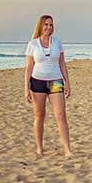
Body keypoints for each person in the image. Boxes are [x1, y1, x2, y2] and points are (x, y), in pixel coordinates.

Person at [24, 14, 73, 157]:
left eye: (51, 25)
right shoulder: (33, 44)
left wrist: (67, 82)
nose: (48, 27)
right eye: (46, 24)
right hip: (37, 82)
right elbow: (29, 67)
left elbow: (62, 63)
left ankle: (67, 149)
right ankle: (39, 148)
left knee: (61, 115)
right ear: (41, 26)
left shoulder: (57, 42)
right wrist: (26, 88)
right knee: (39, 115)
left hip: (55, 81)